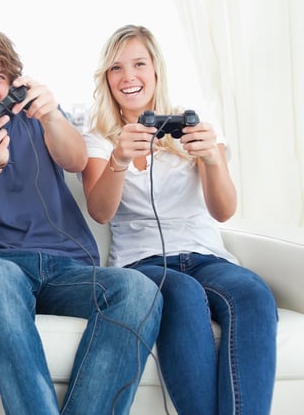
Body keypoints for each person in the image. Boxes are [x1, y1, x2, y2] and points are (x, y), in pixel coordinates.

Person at [0, 29, 162, 415]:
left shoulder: (35, 120)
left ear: (14, 84)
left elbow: (76, 160)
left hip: (67, 267)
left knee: (140, 290)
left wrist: (51, 115)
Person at [81, 24, 277, 414]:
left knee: (254, 293)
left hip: (207, 257)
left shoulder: (195, 127)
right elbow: (100, 212)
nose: (129, 77)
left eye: (139, 64)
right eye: (116, 68)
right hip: (144, 265)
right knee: (183, 295)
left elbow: (223, 210)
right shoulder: (100, 139)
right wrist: (119, 159)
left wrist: (212, 159)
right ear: (106, 78)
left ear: (156, 71)